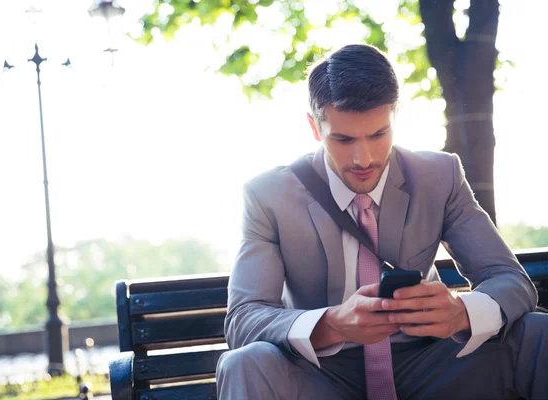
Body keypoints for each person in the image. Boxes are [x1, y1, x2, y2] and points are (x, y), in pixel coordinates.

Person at [216, 44, 547, 399]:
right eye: (343, 139)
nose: (364, 158)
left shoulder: (440, 175)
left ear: (394, 117)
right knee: (244, 362)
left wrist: (461, 312)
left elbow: (512, 282)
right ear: (315, 127)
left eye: (378, 134)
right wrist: (331, 324)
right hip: (322, 374)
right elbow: (243, 319)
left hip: (432, 365)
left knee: (538, 331)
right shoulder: (268, 196)